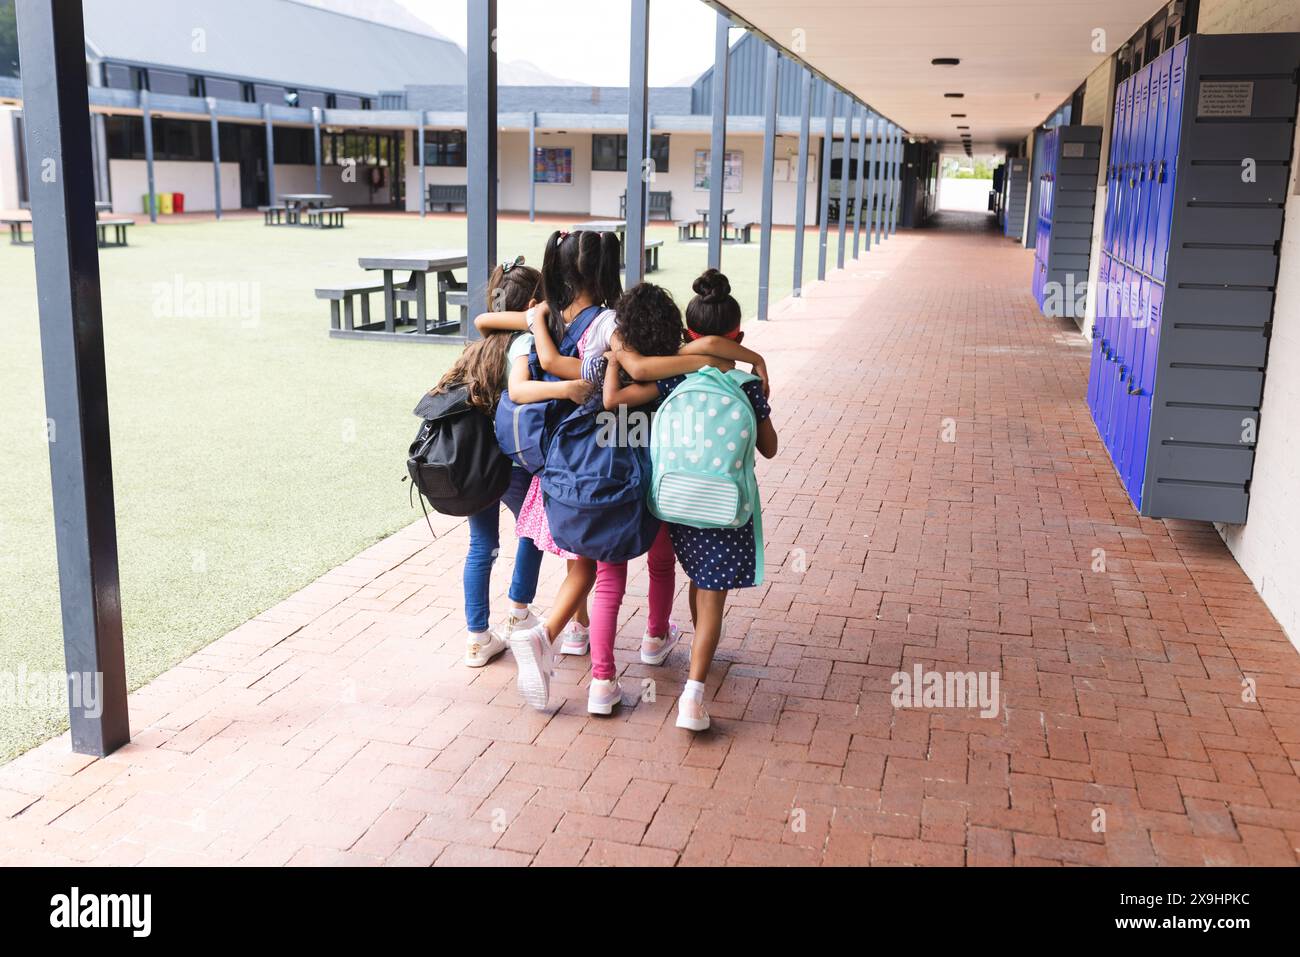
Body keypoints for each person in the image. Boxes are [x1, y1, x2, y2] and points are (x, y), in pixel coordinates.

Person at [604, 270, 777, 731]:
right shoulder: (747, 386)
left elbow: (619, 397)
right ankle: (693, 697)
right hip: (726, 507)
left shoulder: (673, 376)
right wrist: (755, 371)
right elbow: (769, 448)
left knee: (699, 580)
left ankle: (701, 657)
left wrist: (615, 354)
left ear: (688, 331)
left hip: (678, 503)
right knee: (712, 596)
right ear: (737, 333)